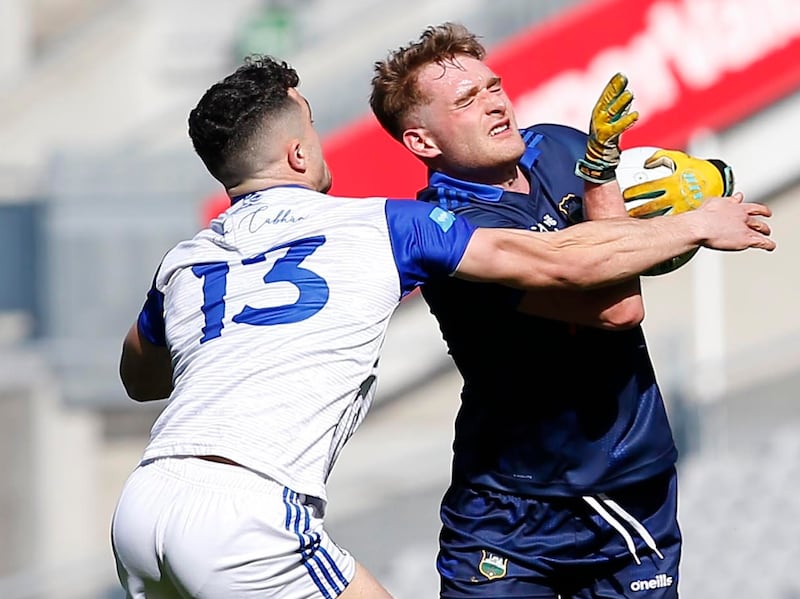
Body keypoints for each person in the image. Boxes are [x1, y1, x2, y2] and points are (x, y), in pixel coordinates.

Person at [110, 54, 774, 599]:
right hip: (249, 510)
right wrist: (689, 224)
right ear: (295, 152)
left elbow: (140, 375)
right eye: (311, 127)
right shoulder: (384, 224)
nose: (494, 102)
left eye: (493, 87)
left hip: (142, 508)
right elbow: (576, 278)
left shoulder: (188, 258)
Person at [369, 23, 765, 599]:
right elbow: (616, 307)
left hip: (625, 485)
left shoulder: (558, 145)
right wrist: (678, 218)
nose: (496, 104)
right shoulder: (450, 234)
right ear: (423, 143)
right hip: (504, 509)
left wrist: (680, 186)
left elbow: (625, 244)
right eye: (467, 100)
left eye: (493, 86)